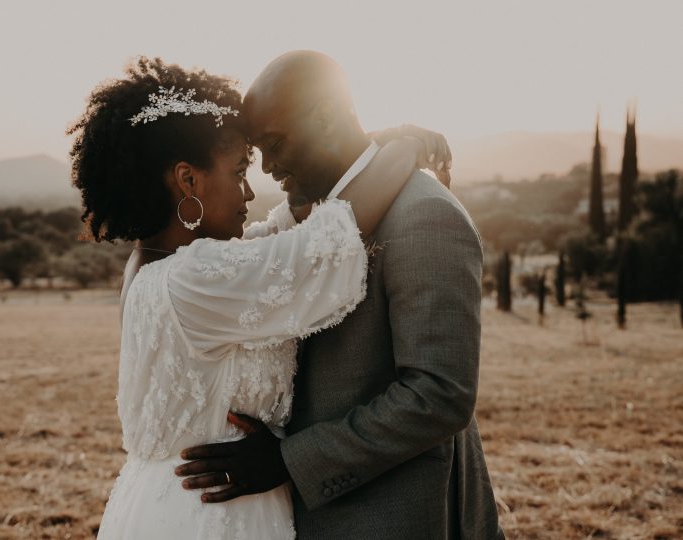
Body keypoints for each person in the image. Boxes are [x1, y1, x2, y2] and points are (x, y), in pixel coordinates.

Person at [67, 56, 449, 539]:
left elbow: (279, 239)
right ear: (188, 180)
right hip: (212, 513)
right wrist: (402, 149)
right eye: (239, 170)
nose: (250, 191)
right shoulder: (193, 280)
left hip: (173, 503)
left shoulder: (156, 265)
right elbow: (327, 243)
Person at [176, 51, 505, 539]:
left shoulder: (424, 215)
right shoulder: (303, 214)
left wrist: (291, 460)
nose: (266, 166)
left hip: (394, 516)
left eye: (273, 143)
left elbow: (439, 395)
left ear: (325, 116)